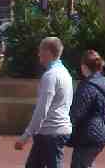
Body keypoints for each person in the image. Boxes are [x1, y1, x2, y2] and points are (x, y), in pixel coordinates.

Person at [15, 36, 74, 168]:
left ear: (48, 51)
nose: (38, 54)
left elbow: (42, 109)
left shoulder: (51, 76)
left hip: (51, 132)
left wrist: (26, 136)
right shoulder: (65, 73)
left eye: (40, 50)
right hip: (53, 130)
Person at [69, 50, 105, 168]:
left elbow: (77, 112)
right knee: (87, 162)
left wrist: (66, 127)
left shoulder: (87, 86)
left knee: (80, 164)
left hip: (88, 133)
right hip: (102, 129)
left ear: (84, 66)